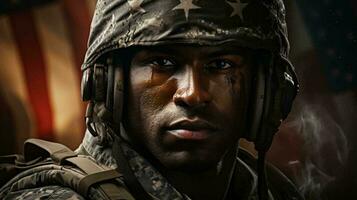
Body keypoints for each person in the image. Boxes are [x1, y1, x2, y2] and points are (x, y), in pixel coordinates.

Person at [0, 0, 304, 199]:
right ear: (107, 83)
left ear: (266, 90)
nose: (193, 94)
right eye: (164, 63)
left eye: (221, 65)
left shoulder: (277, 193)